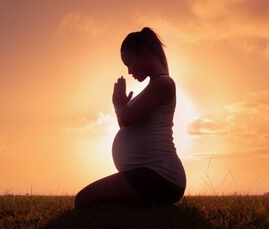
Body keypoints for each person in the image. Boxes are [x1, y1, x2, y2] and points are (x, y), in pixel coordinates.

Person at [75, 27, 186, 209]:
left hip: (162, 176)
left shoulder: (163, 84)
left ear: (143, 53)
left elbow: (127, 119)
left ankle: (148, 206)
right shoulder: (152, 87)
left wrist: (119, 105)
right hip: (148, 174)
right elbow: (125, 124)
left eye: (129, 63)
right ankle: (148, 205)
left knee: (84, 201)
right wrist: (120, 106)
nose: (129, 71)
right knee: (84, 201)